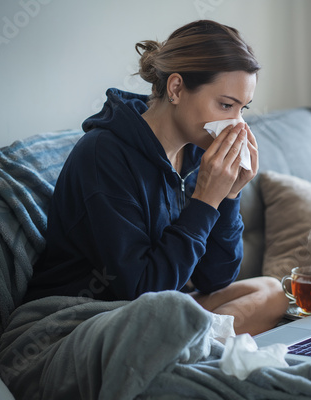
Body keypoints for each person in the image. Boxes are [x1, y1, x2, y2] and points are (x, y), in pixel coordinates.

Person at [24, 20, 289, 335]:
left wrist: (229, 196)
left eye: (242, 109)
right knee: (177, 318)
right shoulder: (104, 155)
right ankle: (196, 346)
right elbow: (142, 290)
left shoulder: (195, 156)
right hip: (100, 316)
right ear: (176, 89)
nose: (236, 125)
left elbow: (214, 279)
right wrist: (205, 200)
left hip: (166, 308)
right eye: (225, 105)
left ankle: (196, 345)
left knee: (272, 292)